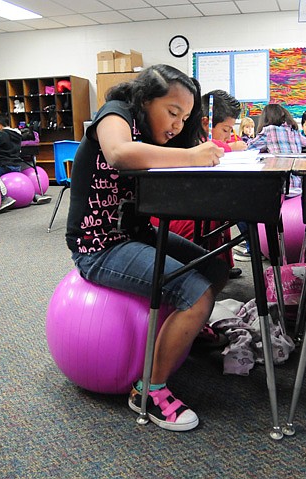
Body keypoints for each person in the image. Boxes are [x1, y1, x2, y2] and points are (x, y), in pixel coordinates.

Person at [65, 64, 229, 431]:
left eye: (184, 117)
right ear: (145, 99)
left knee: (215, 268)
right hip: (99, 246)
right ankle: (148, 391)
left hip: (134, 234)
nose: (176, 124)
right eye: (172, 112)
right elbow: (119, 154)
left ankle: (188, 329)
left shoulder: (158, 138)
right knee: (197, 293)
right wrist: (191, 156)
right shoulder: (117, 113)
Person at [153, 89, 244, 278]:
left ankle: (222, 264)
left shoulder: (202, 137)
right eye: (225, 130)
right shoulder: (188, 138)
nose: (228, 136)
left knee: (220, 217)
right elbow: (199, 150)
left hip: (190, 199)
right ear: (206, 121)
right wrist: (229, 147)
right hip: (172, 208)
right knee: (208, 220)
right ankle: (199, 268)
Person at [0, 114, 51, 211]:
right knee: (22, 183)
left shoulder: (1, 134)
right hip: (16, 166)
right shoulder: (17, 135)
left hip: (4, 165)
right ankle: (35, 196)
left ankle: (4, 199)